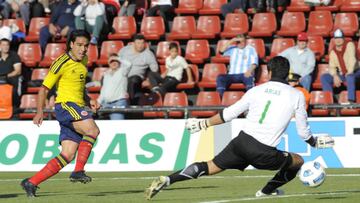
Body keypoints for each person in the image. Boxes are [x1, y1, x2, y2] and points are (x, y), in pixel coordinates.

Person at [145, 56, 335, 200]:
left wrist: (202, 123)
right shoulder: (296, 95)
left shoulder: (255, 90)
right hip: (263, 151)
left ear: (268, 72)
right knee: (298, 160)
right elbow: (303, 132)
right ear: (287, 73)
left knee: (209, 166)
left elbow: (228, 114)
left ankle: (169, 179)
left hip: (241, 142)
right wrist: (314, 142)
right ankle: (266, 192)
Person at [20, 30, 101, 197]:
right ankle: (78, 171)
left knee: (68, 154)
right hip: (65, 106)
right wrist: (39, 111)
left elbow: (78, 86)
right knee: (92, 130)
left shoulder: (84, 60)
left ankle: (31, 182)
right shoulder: (61, 62)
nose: (83, 49)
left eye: (86, 46)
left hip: (77, 106)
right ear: (71, 44)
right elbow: (44, 89)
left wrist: (89, 99)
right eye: (79, 45)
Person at [321, 29, 360, 103]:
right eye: (336, 38)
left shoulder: (349, 44)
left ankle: (351, 101)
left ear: (343, 38)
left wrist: (350, 71)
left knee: (349, 76)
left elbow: (352, 59)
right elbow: (332, 66)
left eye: (340, 38)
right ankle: (329, 101)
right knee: (325, 77)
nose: (338, 40)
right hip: (344, 74)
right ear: (334, 40)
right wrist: (335, 75)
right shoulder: (333, 51)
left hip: (356, 71)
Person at [118, 34, 158, 104]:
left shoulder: (148, 54)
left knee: (133, 79)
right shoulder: (124, 50)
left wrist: (148, 79)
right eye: (138, 43)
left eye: (142, 43)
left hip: (136, 78)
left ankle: (130, 105)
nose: (140, 45)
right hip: (122, 75)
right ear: (133, 43)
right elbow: (116, 61)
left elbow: (154, 69)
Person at [97, 53, 130, 120]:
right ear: (109, 63)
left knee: (117, 125)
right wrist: (98, 101)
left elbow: (129, 64)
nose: (114, 63)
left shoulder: (122, 71)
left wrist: (117, 58)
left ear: (119, 62)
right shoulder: (106, 74)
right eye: (111, 61)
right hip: (106, 103)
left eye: (116, 61)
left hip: (119, 103)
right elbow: (104, 90)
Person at [0, 38, 22, 111]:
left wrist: (5, 76)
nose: (6, 47)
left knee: (13, 92)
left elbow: (18, 71)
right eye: (3, 45)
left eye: (7, 45)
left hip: (11, 82)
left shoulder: (14, 56)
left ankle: (14, 110)